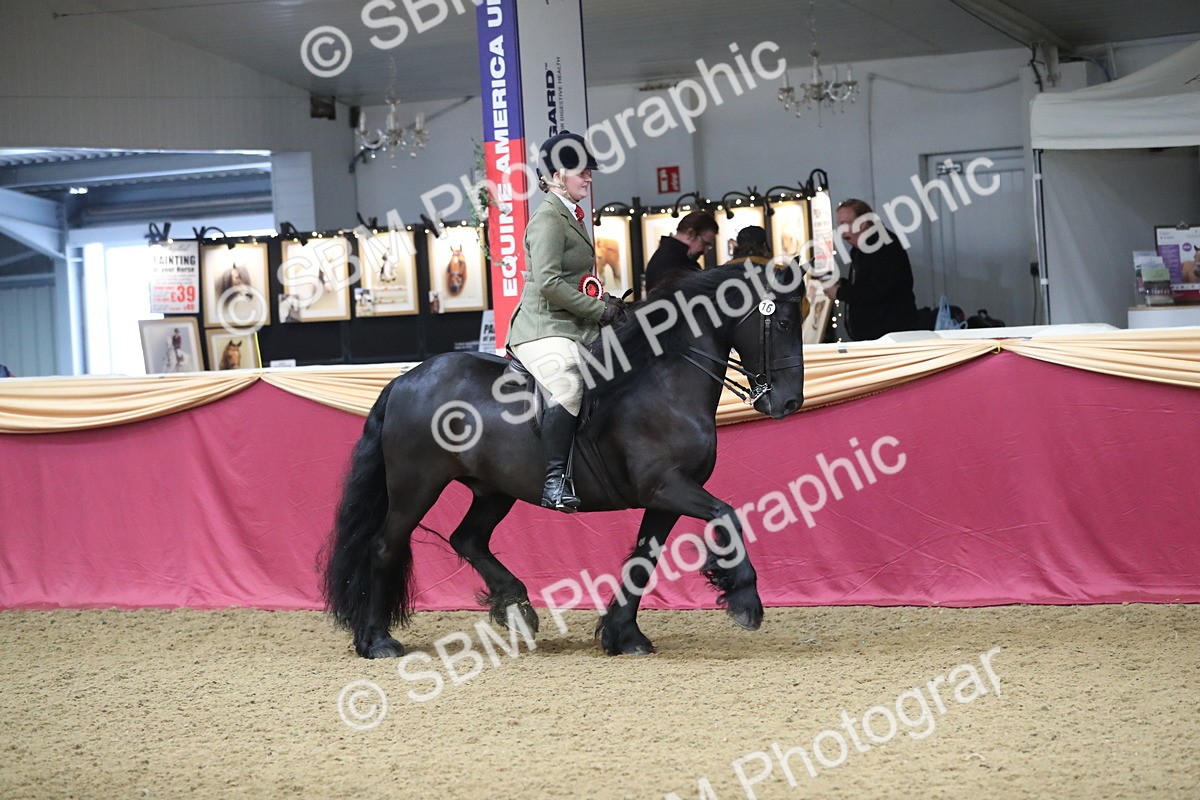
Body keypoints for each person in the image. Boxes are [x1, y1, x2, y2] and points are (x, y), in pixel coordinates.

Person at [507, 131, 626, 513]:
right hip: (541, 327)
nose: (589, 178)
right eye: (582, 172)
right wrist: (597, 311)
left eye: (590, 171)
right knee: (570, 382)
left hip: (571, 324)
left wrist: (609, 304)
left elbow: (577, 281)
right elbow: (549, 282)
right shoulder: (548, 219)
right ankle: (555, 482)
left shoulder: (570, 214)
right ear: (558, 175)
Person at [824, 198, 919, 340]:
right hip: (873, 336)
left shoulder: (885, 246)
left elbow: (879, 289)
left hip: (888, 335)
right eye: (840, 225)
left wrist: (840, 292)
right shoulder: (860, 249)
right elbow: (863, 284)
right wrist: (842, 284)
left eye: (846, 224)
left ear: (863, 224)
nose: (842, 231)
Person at [724, 226, 809, 319]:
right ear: (764, 246)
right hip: (773, 332)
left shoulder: (721, 272)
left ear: (737, 247)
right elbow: (802, 309)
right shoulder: (781, 272)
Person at [643, 210, 719, 295]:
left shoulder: (665, 257)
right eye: (705, 244)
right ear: (691, 234)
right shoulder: (674, 263)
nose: (705, 251)